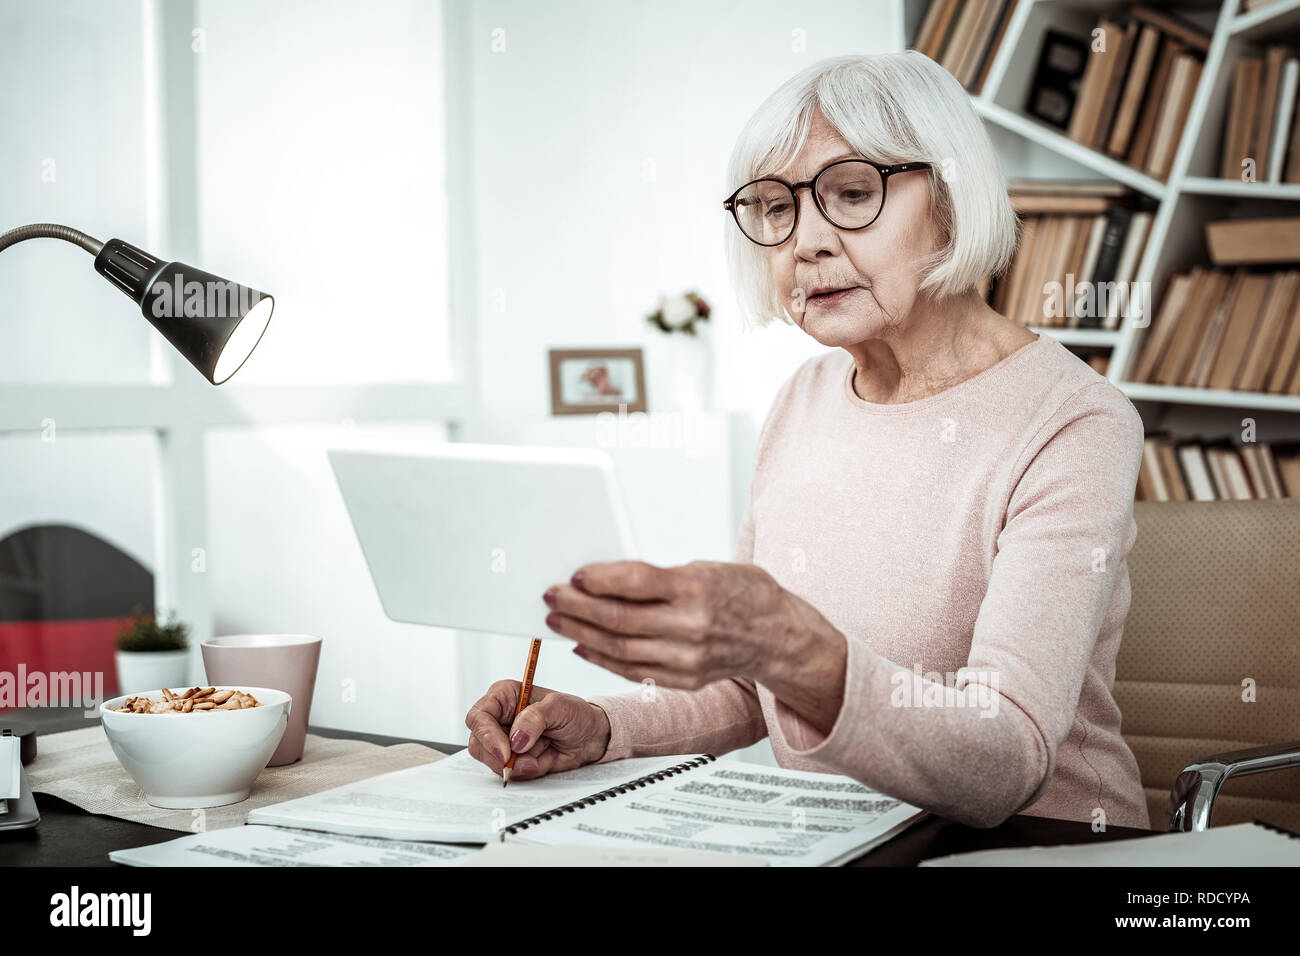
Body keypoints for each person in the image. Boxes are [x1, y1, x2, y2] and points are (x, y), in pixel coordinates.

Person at [464, 52, 1150, 830]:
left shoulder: (1074, 421)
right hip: (834, 835)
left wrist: (792, 644)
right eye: (773, 209)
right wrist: (604, 726)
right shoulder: (803, 400)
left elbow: (1008, 758)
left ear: (952, 200)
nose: (804, 244)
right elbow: (752, 691)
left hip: (1040, 842)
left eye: (852, 193)